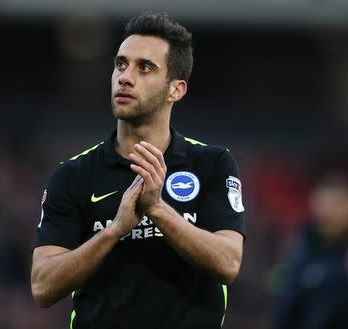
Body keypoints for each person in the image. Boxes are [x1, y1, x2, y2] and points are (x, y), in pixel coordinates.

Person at [31, 12, 245, 329]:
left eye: (144, 67)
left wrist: (157, 208)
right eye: (120, 64)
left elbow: (228, 262)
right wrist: (114, 230)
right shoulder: (73, 174)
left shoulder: (212, 163)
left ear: (176, 90)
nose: (125, 77)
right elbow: (42, 286)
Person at [272, 171, 348, 329]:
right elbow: (286, 303)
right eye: (323, 204)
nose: (327, 212)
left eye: (335, 205)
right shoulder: (302, 246)